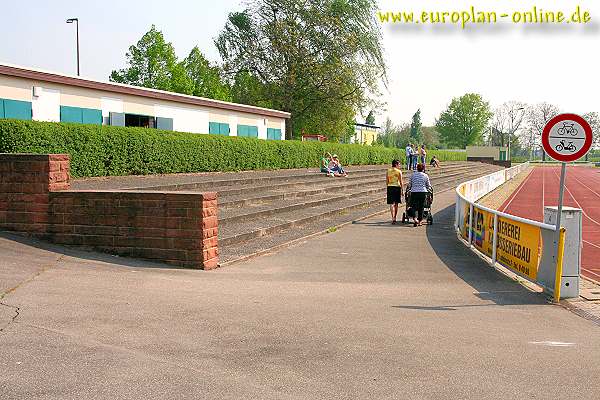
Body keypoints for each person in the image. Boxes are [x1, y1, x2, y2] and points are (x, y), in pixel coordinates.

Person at [386, 159, 403, 224]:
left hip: (390, 187)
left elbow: (387, 181)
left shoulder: (388, 171)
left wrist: (388, 186)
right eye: (399, 164)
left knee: (391, 203)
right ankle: (395, 217)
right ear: (396, 164)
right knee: (396, 204)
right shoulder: (399, 171)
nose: (399, 165)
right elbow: (401, 182)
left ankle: (392, 217)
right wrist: (402, 190)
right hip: (397, 187)